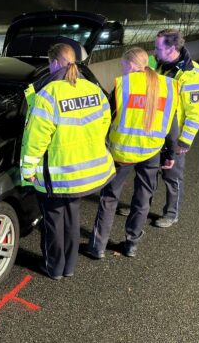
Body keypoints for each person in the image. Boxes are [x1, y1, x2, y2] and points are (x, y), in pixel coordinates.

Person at [21, 43, 115, 280]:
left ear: (53, 63)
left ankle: (54, 268)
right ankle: (69, 267)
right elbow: (104, 123)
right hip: (83, 172)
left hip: (56, 173)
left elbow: (36, 139)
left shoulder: (49, 94)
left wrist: (28, 170)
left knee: (53, 221)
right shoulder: (92, 89)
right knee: (71, 218)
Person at [88, 47, 179, 258]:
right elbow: (172, 128)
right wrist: (170, 155)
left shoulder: (123, 85)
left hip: (122, 152)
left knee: (109, 198)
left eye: (122, 65)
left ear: (130, 65)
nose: (121, 68)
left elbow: (106, 119)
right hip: (151, 151)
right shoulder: (167, 86)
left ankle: (97, 247)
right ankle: (131, 245)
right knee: (143, 198)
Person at [152, 29, 199, 228]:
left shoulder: (192, 75)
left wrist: (184, 141)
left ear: (171, 49)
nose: (154, 51)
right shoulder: (160, 65)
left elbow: (195, 113)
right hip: (155, 132)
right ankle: (141, 206)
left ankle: (171, 213)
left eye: (158, 47)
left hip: (174, 137)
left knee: (172, 176)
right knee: (149, 171)